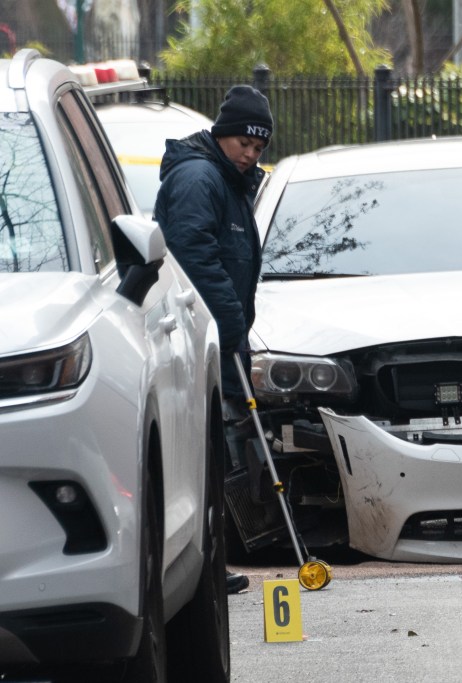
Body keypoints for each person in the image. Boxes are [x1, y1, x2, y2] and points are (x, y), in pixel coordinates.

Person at [154, 85, 273, 595]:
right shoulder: (201, 179)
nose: (250, 154)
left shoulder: (229, 180)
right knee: (205, 454)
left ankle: (211, 562)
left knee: (215, 454)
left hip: (221, 337)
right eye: (244, 143)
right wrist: (228, 320)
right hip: (203, 339)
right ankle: (203, 567)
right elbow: (194, 257)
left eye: (259, 148)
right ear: (223, 133)